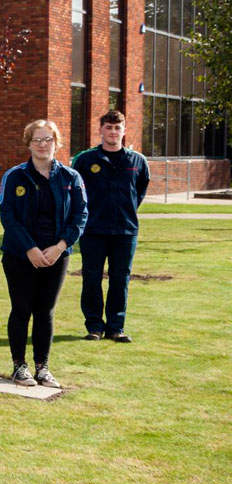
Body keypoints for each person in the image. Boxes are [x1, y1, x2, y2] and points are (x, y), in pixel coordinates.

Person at [0, 120, 87, 389]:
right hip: (19, 255)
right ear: (28, 143)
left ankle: (42, 367)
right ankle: (19, 367)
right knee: (22, 309)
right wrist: (30, 249)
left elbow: (80, 215)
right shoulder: (15, 176)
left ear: (56, 143)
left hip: (57, 256)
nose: (42, 145)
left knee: (45, 312)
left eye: (48, 139)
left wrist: (60, 246)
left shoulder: (71, 178)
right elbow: (8, 216)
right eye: (36, 140)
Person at [72, 110, 150, 343]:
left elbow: (140, 190)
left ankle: (116, 327)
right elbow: (77, 192)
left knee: (120, 279)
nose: (113, 132)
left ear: (124, 131)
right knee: (92, 278)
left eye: (118, 128)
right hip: (93, 230)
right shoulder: (85, 160)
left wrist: (125, 209)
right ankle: (94, 326)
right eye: (109, 127)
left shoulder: (137, 161)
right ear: (100, 130)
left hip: (125, 231)